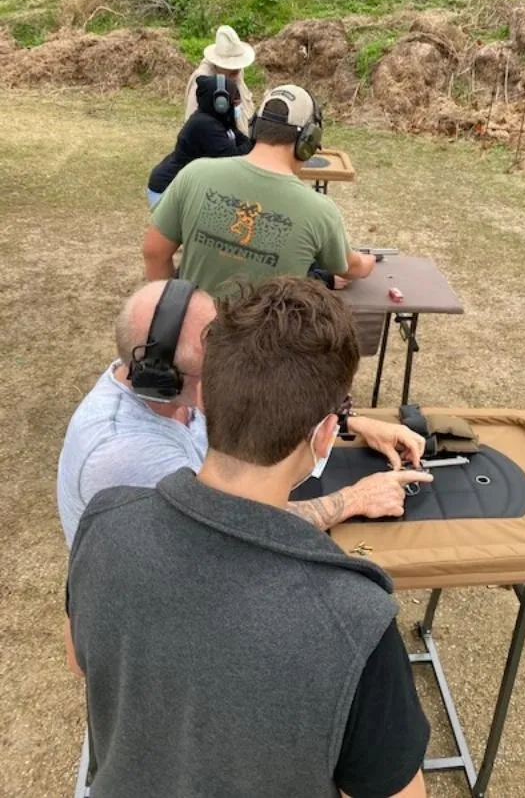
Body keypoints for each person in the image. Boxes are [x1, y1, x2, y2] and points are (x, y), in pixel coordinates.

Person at [66, 276, 430, 798]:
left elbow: (79, 658)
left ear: (205, 393)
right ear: (326, 432)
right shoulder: (358, 622)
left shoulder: (105, 522)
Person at [58, 279, 430, 547]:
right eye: (213, 362)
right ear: (161, 380)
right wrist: (354, 500)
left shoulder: (152, 373)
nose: (230, 363)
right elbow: (243, 525)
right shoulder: (129, 455)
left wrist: (348, 423)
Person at [143, 84, 376, 296]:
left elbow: (154, 252)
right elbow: (350, 268)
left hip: (192, 338)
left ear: (255, 127)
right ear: (308, 140)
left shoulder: (193, 174)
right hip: (266, 343)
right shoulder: (321, 211)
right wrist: (369, 261)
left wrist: (175, 313)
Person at [147, 75, 253, 208]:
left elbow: (242, 140)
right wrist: (251, 143)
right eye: (234, 102)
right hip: (166, 190)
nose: (237, 106)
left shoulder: (218, 121)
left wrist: (249, 143)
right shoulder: (205, 124)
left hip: (181, 188)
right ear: (221, 103)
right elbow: (233, 156)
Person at [184, 25, 256, 134]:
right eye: (231, 66)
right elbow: (193, 127)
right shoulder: (202, 81)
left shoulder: (237, 72)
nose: (237, 69)